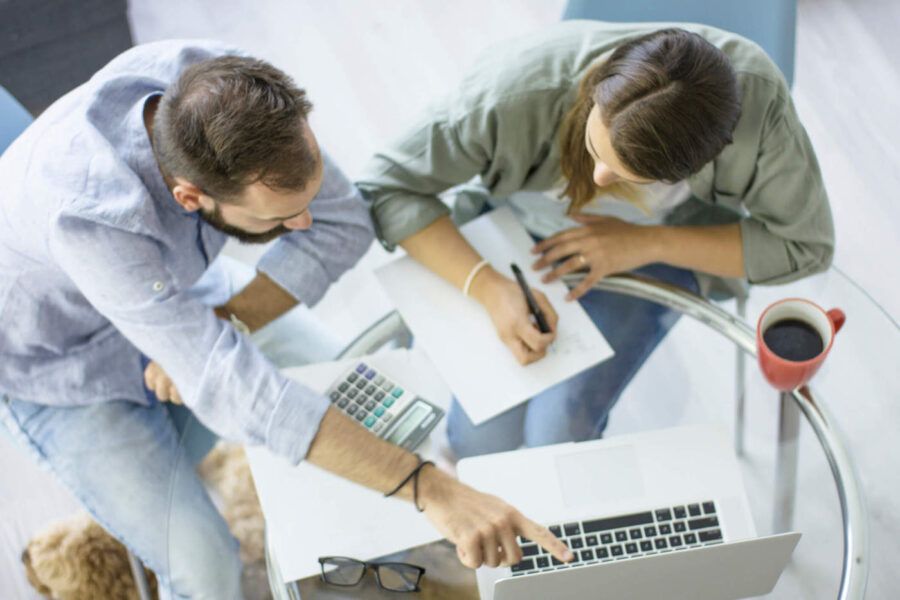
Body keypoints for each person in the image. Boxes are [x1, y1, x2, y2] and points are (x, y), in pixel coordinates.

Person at [0, 41, 571, 599]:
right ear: (190, 196)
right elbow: (238, 389)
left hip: (182, 295)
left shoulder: (222, 87)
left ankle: (396, 553)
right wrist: (432, 489)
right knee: (207, 570)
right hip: (61, 376)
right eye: (279, 218)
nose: (303, 225)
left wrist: (219, 324)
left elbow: (345, 221)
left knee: (361, 402)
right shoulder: (92, 218)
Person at [358, 22, 834, 458]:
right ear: (599, 88)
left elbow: (805, 246)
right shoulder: (510, 93)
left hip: (658, 246)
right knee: (480, 441)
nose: (601, 178)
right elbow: (385, 185)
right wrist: (487, 286)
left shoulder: (760, 110)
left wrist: (646, 244)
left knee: (558, 435)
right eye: (593, 149)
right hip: (512, 230)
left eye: (635, 176)